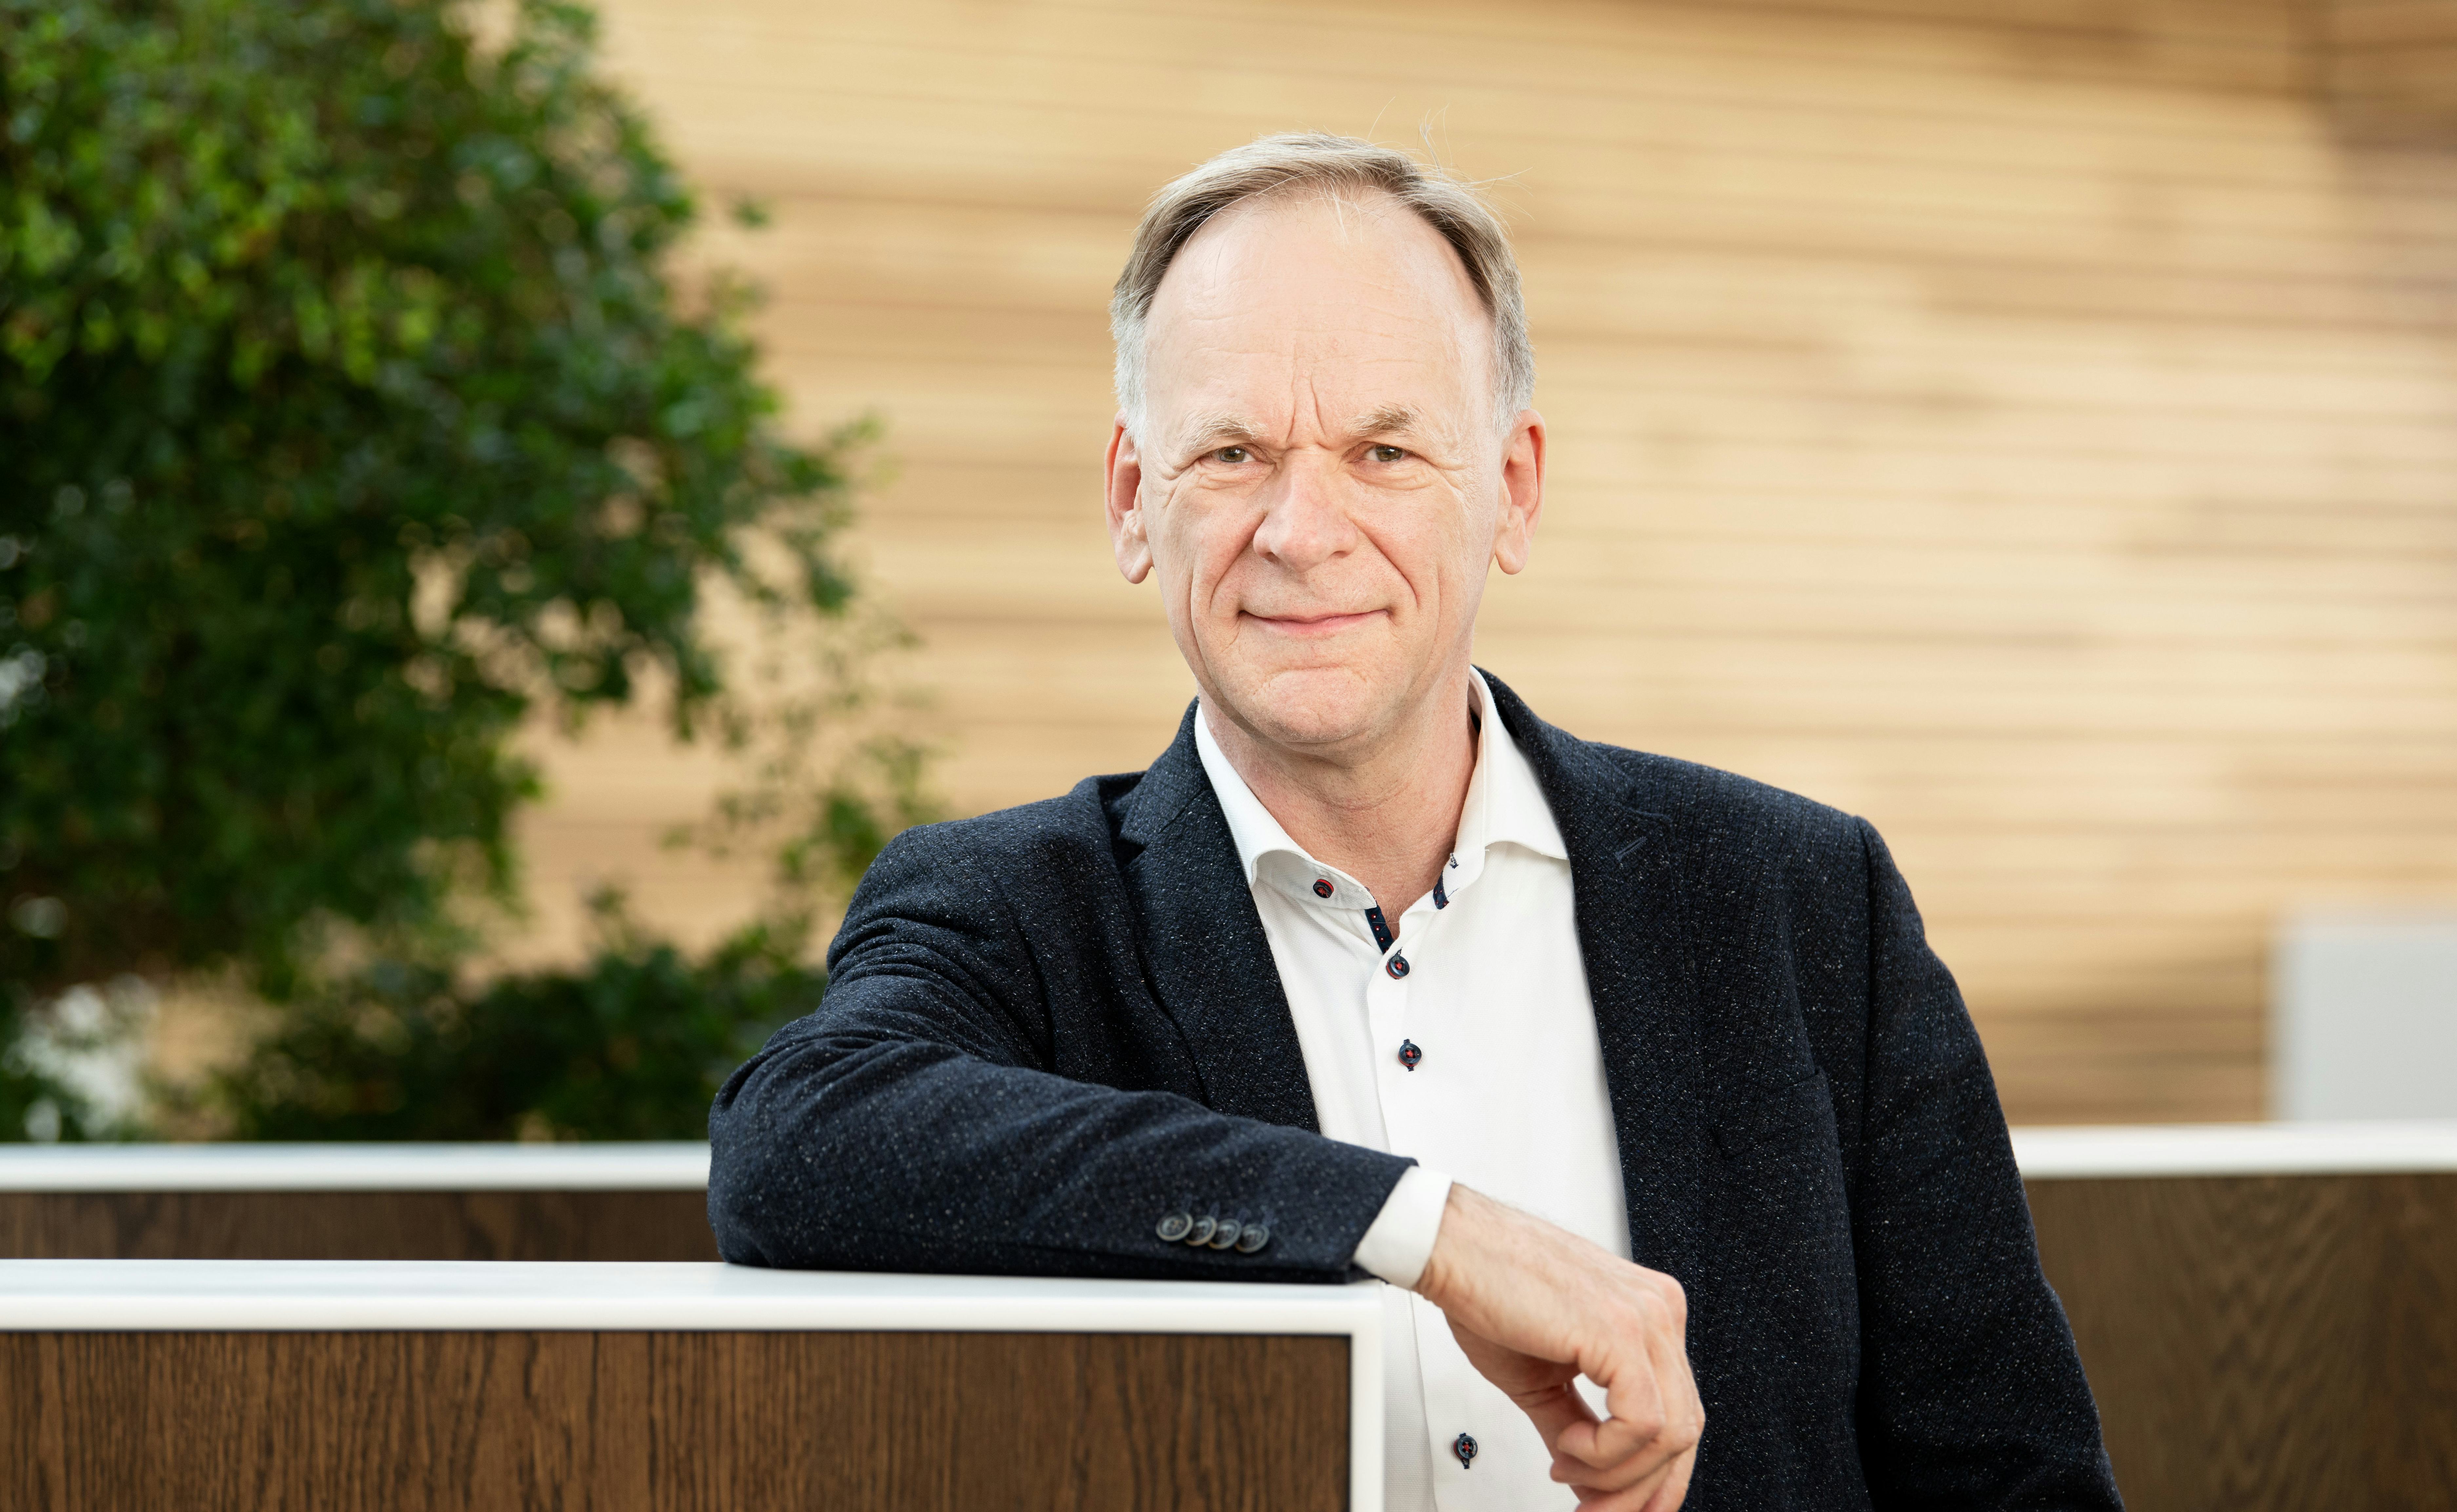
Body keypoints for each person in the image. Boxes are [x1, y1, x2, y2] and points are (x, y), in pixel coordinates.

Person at [708, 133, 2121, 1512]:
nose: (1301, 529)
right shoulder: (1008, 908)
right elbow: (796, 1143)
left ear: (1509, 489)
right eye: (1230, 453)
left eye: (1383, 451)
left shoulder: (1801, 902)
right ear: (1135, 504)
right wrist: (1422, 1231)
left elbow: (2007, 1472)